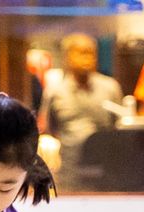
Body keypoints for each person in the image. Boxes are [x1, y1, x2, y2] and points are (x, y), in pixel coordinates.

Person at [39, 33, 123, 191]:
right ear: (67, 56)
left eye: (91, 53)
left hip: (106, 174)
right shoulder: (55, 91)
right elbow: (51, 128)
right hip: (70, 174)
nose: (87, 58)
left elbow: (119, 126)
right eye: (80, 52)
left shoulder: (110, 87)